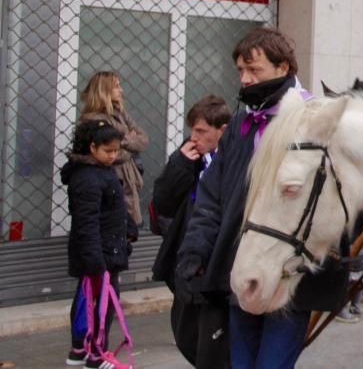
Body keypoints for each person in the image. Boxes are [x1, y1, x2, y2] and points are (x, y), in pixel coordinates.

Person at [176, 27, 347, 369]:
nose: (246, 79)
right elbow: (211, 198)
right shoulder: (241, 125)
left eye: (255, 70)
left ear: (283, 68)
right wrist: (195, 249)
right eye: (241, 71)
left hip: (288, 274)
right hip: (240, 269)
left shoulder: (313, 122)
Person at [151, 95, 231, 368]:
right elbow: (162, 202)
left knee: (212, 338)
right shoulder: (188, 158)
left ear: (222, 130)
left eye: (201, 131)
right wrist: (180, 166)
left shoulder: (233, 160)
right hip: (186, 255)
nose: (193, 137)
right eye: (192, 130)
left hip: (215, 261)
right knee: (185, 331)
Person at [61, 118, 130, 368]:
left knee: (88, 301)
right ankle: (96, 354)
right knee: (101, 305)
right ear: (92, 148)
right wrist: (95, 261)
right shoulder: (88, 178)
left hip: (104, 250)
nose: (113, 156)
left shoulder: (100, 172)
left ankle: (80, 350)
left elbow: (112, 209)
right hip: (99, 254)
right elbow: (86, 223)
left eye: (116, 150)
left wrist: (127, 231)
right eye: (108, 151)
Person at [80, 71, 148, 239]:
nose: (121, 90)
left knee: (127, 231)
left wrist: (121, 142)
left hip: (128, 178)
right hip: (112, 178)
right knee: (115, 228)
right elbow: (111, 154)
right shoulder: (94, 119)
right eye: (117, 86)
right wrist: (127, 142)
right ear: (104, 90)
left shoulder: (119, 113)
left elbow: (143, 139)